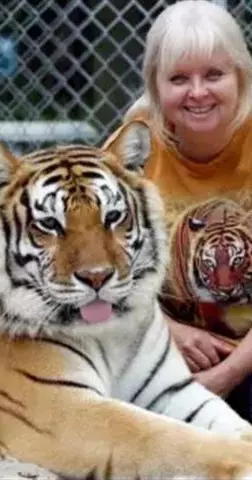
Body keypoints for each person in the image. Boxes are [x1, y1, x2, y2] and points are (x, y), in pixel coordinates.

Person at [105, 0, 252, 420]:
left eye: (214, 75)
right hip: (158, 348)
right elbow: (97, 270)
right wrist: (165, 329)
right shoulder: (130, 152)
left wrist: (225, 376)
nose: (198, 92)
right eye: (179, 78)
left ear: (240, 76)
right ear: (156, 86)